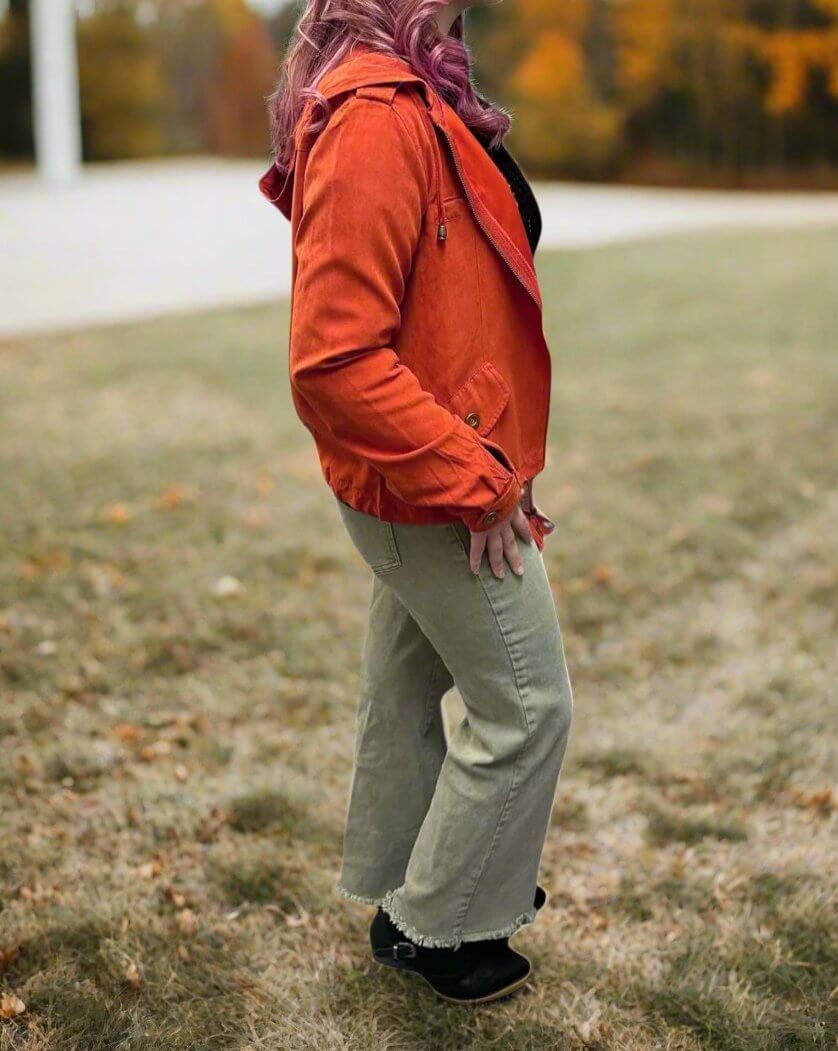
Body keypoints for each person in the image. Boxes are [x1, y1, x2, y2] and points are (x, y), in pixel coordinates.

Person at [261, 0, 573, 1005]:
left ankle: (415, 884)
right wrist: (476, 478)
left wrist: (499, 450)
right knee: (526, 707)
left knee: (404, 693)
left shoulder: (416, 90)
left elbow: (447, 303)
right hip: (430, 483)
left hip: (440, 460)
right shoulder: (375, 116)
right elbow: (333, 360)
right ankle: (440, 928)